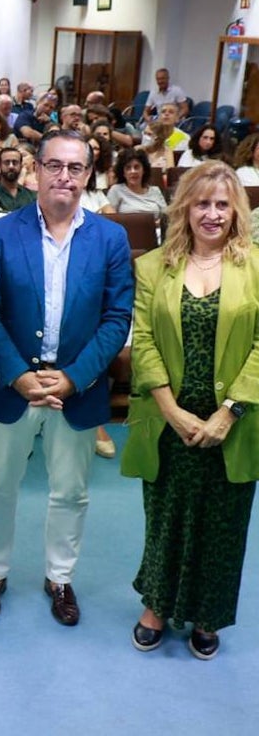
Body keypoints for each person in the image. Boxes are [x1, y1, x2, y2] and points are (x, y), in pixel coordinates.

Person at [0, 130, 134, 626]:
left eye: (76, 167)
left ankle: (59, 577)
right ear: (35, 170)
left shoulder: (110, 238)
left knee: (71, 491)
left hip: (76, 390)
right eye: (55, 165)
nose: (64, 176)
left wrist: (74, 378)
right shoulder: (1, 233)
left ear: (88, 175)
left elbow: (116, 318)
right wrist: (19, 375)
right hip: (12, 384)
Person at [122, 162, 259, 660]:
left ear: (236, 211)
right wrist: (171, 410)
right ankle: (156, 605)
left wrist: (229, 411)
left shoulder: (256, 266)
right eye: (202, 203)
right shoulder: (154, 266)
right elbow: (143, 340)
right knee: (167, 515)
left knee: (223, 521)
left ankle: (207, 613)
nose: (212, 214)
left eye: (223, 205)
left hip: (236, 420)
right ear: (185, 207)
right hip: (168, 418)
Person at [108, 148, 167, 217]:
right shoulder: (116, 190)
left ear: (144, 170)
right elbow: (110, 219)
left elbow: (166, 217)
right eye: (128, 168)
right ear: (123, 173)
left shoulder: (155, 191)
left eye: (137, 167)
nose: (133, 171)